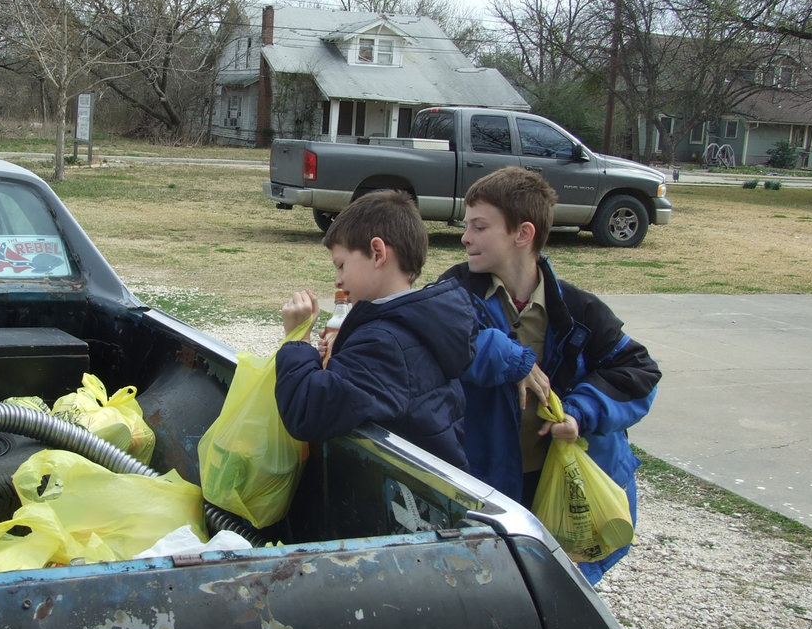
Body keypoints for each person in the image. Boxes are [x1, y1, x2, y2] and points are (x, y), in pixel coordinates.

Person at [437, 166, 661, 583]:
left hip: (555, 484)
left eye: (480, 227)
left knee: (555, 591)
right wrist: (514, 359)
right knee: (489, 589)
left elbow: (638, 372)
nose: (466, 237)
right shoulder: (453, 291)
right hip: (485, 482)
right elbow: (443, 337)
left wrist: (578, 414)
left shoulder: (579, 310)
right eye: (466, 226)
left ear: (523, 234)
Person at [274, 190, 477, 471]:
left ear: (378, 253)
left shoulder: (385, 344)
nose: (339, 280)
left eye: (342, 265)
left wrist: (298, 339)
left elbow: (306, 411)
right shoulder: (416, 326)